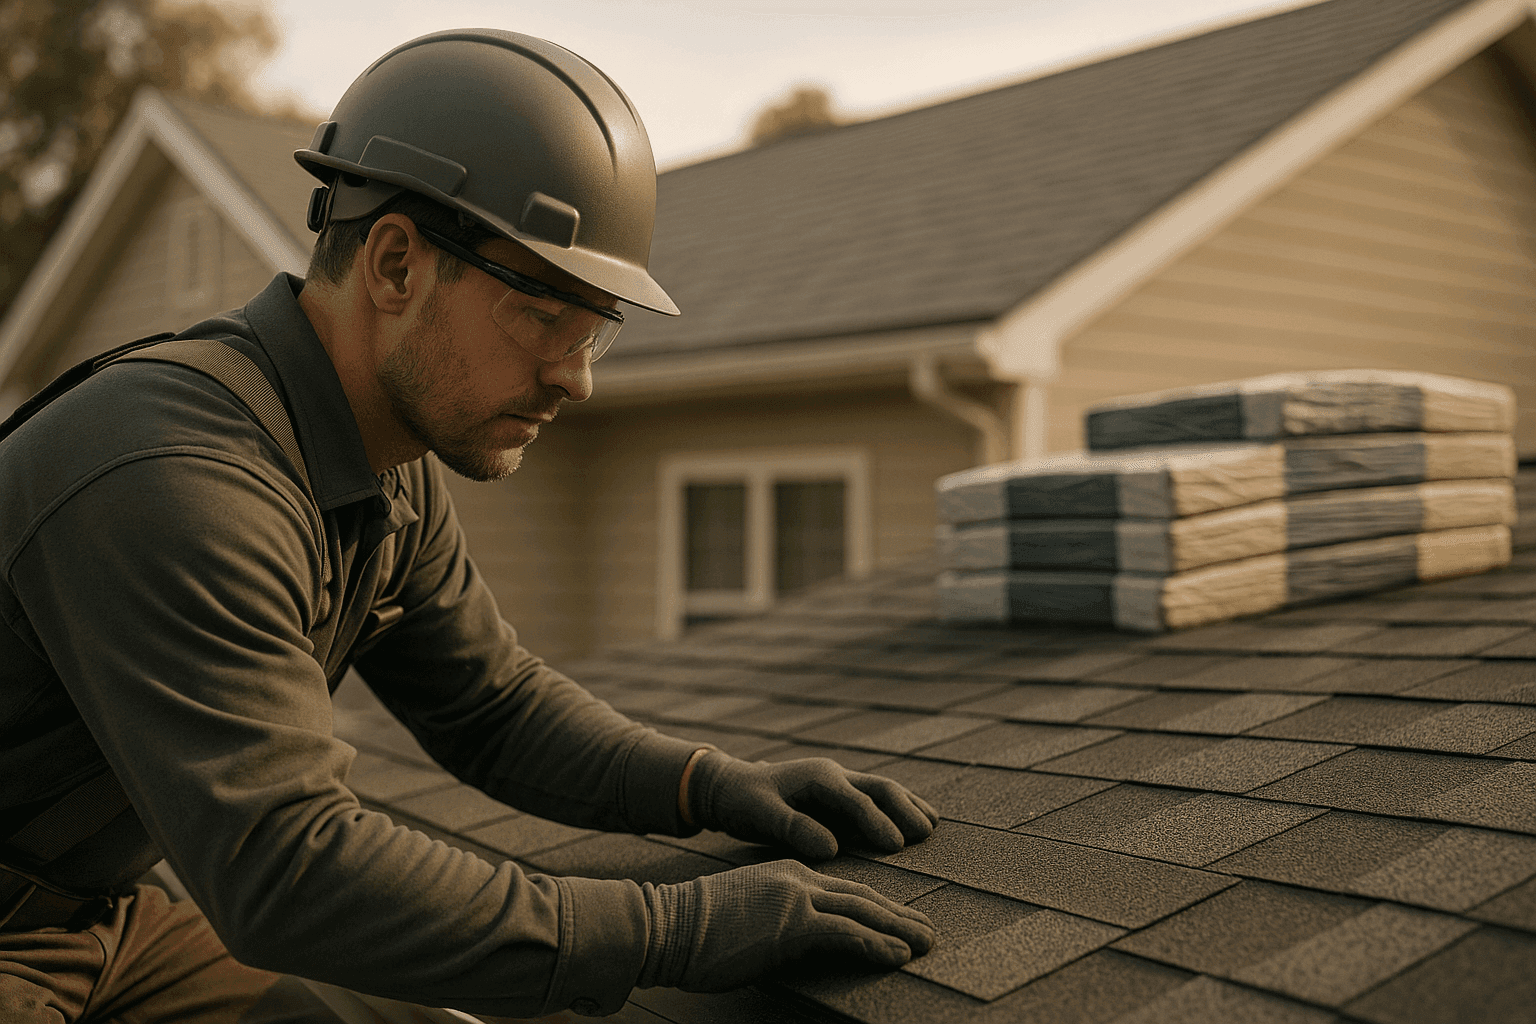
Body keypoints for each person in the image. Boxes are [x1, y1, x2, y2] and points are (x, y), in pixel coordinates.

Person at [0, 27, 937, 1024]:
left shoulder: (383, 472)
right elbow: (287, 871)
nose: (577, 377)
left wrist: (707, 784)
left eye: (597, 332)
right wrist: (676, 931)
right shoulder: (173, 475)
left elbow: (491, 706)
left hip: (97, 916)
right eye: (546, 315)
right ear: (397, 264)